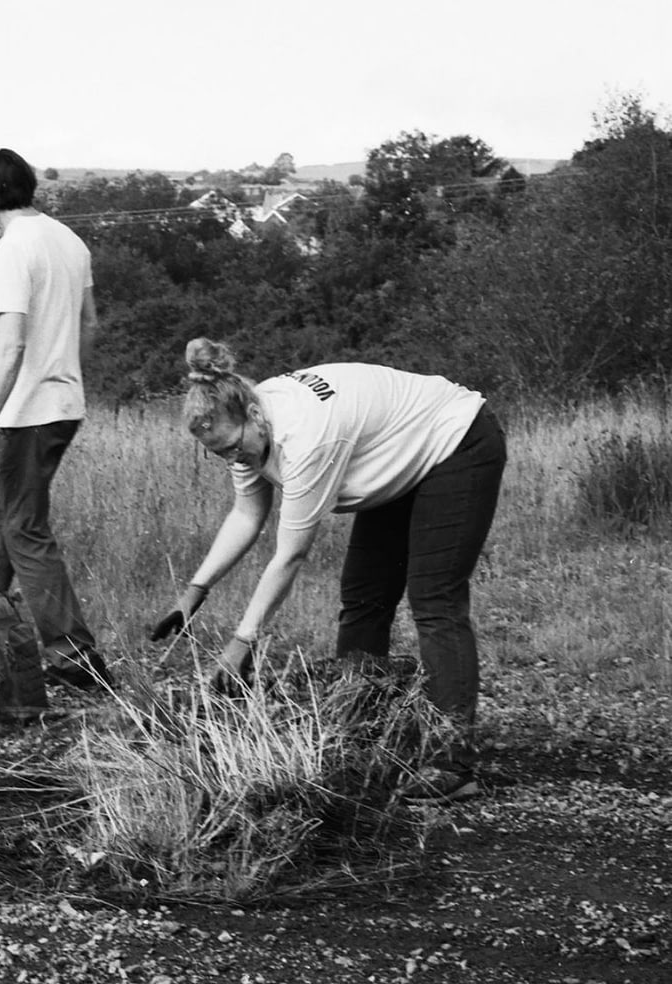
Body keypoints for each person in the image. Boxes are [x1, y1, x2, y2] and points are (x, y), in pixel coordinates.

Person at [154, 337, 506, 801]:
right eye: (217, 453)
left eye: (231, 447)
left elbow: (291, 554)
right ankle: (359, 737)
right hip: (399, 454)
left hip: (456, 442)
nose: (230, 459)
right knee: (363, 597)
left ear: (253, 416)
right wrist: (195, 590)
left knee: (434, 600)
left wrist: (243, 641)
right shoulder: (245, 430)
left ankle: (453, 765)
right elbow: (246, 515)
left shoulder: (306, 438)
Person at [0, 147, 110, 691]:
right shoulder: (69, 240)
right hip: (65, 405)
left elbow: (10, 346)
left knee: (23, 529)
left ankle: (75, 656)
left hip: (27, 414)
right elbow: (90, 326)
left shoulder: (12, 249)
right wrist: (64, 374)